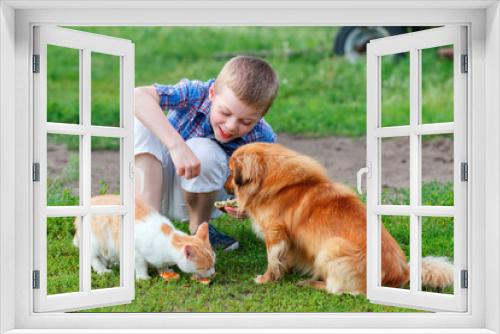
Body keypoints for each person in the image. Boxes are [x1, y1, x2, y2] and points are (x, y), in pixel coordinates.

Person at [133, 56, 279, 251]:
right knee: (142, 119)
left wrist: (251, 203)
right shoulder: (195, 93)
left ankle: (199, 231)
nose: (231, 126)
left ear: (260, 117)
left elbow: (269, 188)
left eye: (246, 122)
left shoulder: (262, 137)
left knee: (206, 151)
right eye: (225, 113)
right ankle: (147, 227)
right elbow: (136, 96)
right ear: (212, 93)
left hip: (199, 198)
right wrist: (177, 146)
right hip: (155, 183)